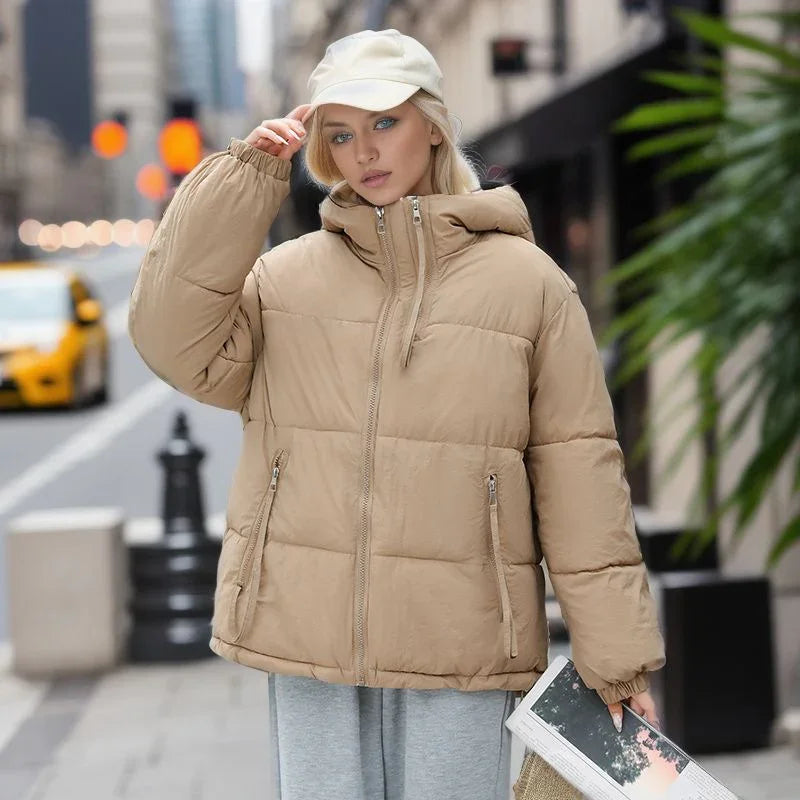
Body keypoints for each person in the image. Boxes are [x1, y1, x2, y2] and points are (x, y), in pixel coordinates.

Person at [128, 27, 665, 800]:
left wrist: (616, 661)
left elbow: (581, 473)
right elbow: (170, 338)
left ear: (433, 124)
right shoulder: (284, 280)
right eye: (341, 134)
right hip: (307, 633)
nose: (365, 152)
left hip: (461, 640)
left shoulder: (529, 286)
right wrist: (240, 185)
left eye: (385, 121)